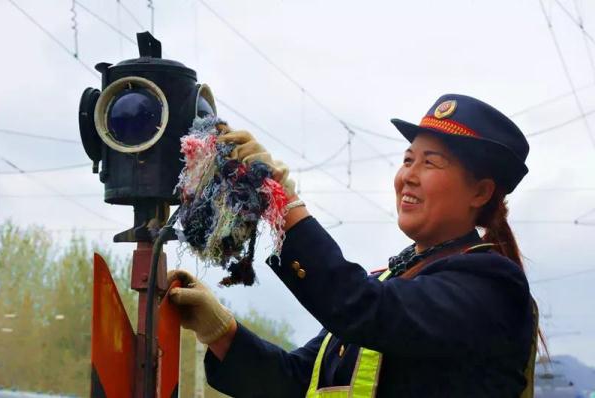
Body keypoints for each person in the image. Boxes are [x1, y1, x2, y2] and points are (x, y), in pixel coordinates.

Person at [167, 94, 539, 397]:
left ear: (480, 191)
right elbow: (295, 380)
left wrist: (285, 203)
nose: (409, 176)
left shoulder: (491, 284)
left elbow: (362, 308)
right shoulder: (388, 284)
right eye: (408, 160)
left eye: (430, 163)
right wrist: (218, 329)